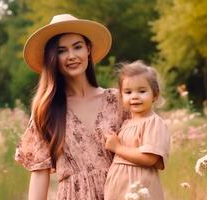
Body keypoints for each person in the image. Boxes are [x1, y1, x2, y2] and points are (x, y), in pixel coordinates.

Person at [15, 14, 125, 200]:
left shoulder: (117, 101)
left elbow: (142, 154)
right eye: (61, 51)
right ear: (53, 58)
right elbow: (39, 173)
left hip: (120, 192)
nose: (72, 56)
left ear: (88, 49)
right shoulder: (47, 110)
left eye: (77, 47)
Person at [104, 61, 171, 200]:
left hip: (140, 190)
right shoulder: (127, 123)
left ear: (155, 95)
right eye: (128, 92)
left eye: (142, 91)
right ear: (122, 97)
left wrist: (117, 147)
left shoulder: (153, 123)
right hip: (118, 191)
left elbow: (149, 158)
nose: (134, 96)